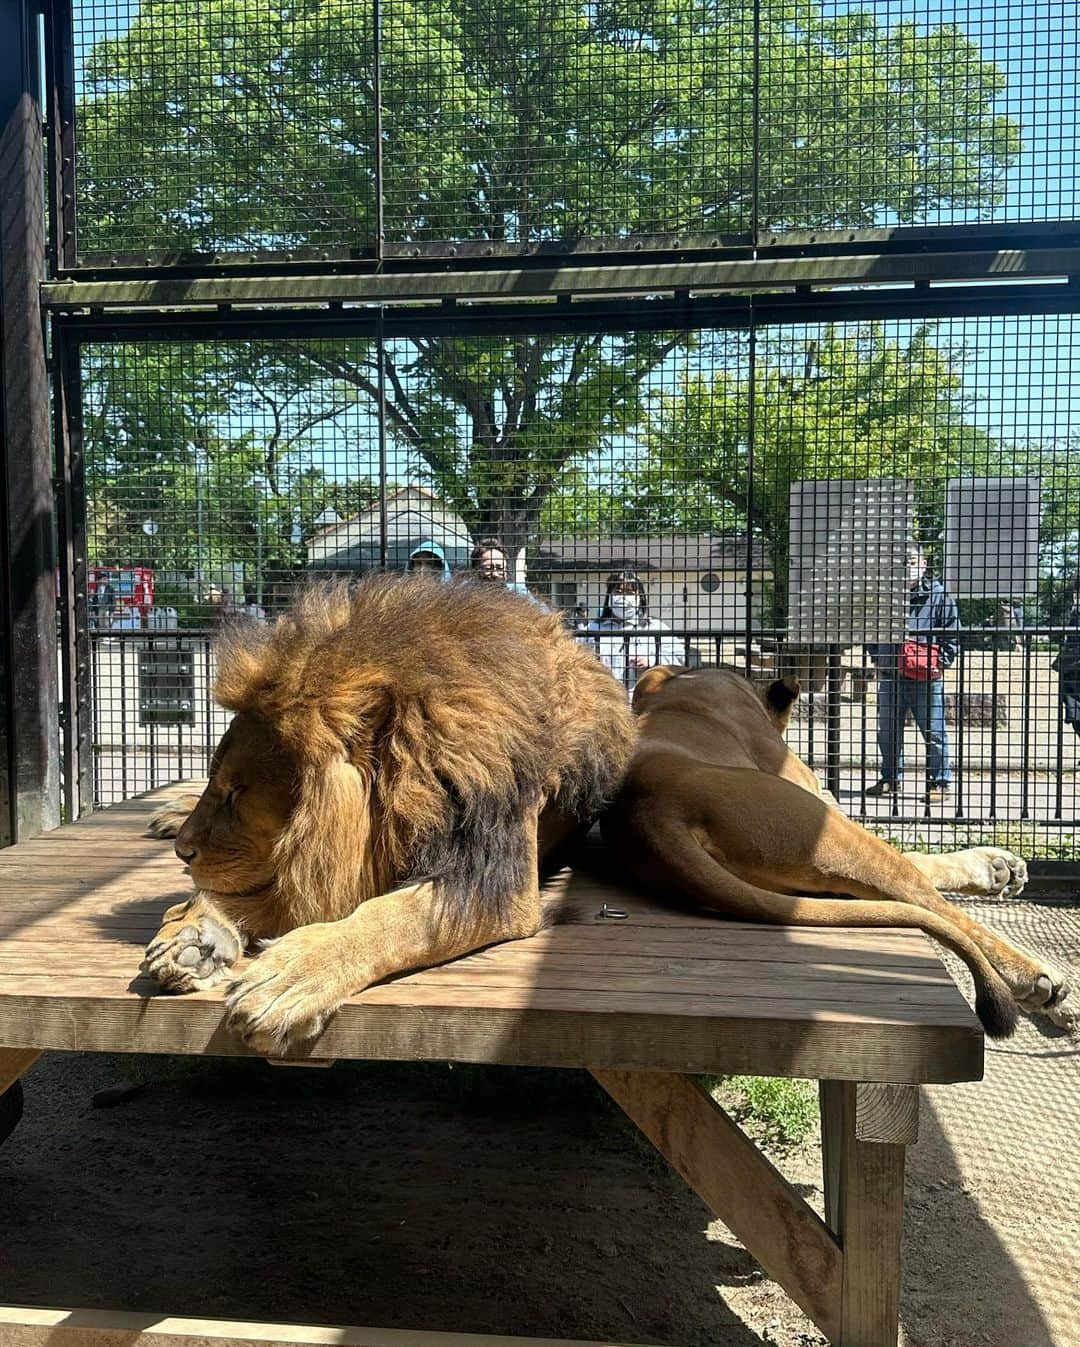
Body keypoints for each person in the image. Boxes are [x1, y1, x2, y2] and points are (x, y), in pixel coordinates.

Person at [865, 543, 960, 801]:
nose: (907, 566)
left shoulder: (941, 596)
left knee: (933, 731)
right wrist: (877, 657)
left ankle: (939, 782)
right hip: (891, 675)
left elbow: (952, 634)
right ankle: (891, 778)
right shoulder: (885, 598)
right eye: (901, 561)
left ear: (924, 563)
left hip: (926, 677)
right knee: (887, 730)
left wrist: (941, 663)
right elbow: (870, 630)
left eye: (912, 560)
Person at [584, 570, 684, 696]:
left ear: (640, 597)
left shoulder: (655, 627)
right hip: (603, 699)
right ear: (609, 597)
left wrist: (652, 661)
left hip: (644, 700)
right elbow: (574, 658)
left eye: (630, 592)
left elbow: (679, 657)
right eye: (618, 592)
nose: (624, 597)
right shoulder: (592, 629)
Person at [1053, 578, 1080, 739]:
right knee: (1075, 713)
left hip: (1073, 668)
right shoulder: (1075, 611)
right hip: (1072, 668)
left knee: (1075, 713)